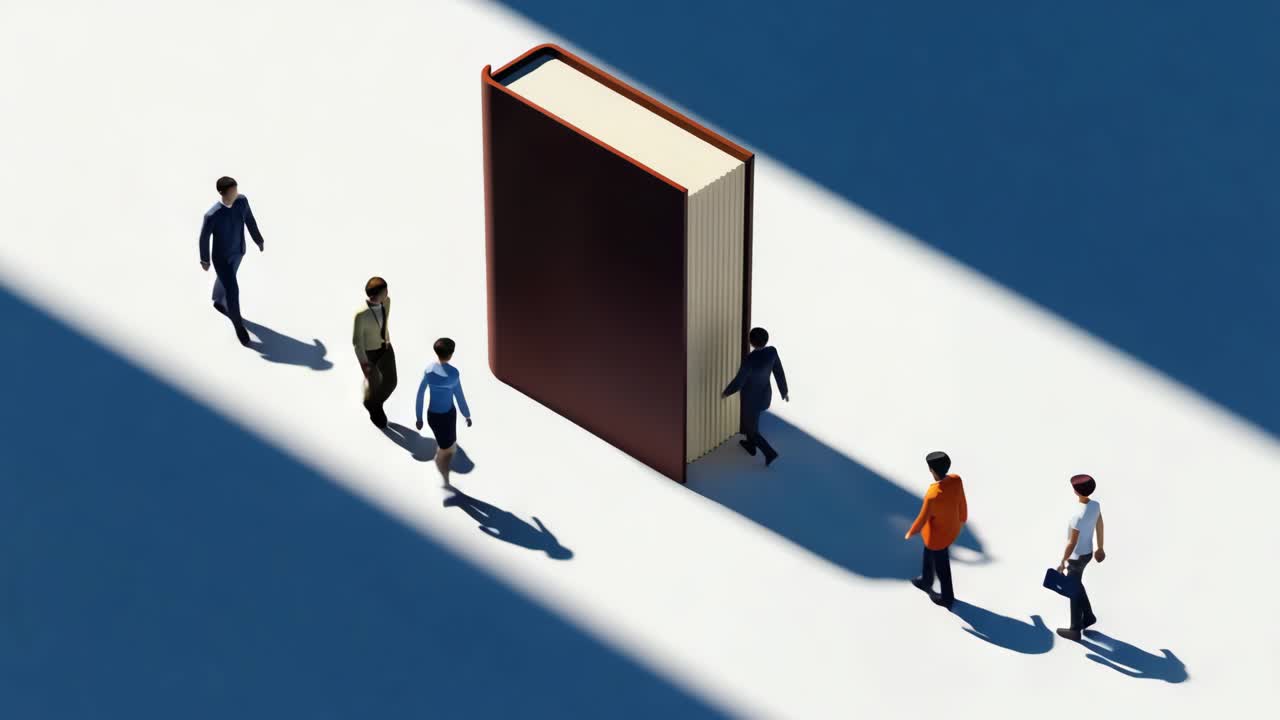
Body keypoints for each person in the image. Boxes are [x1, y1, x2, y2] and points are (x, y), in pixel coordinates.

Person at [198, 176, 264, 346]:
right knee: (233, 290)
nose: (236, 193)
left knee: (228, 279)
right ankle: (238, 326)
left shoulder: (242, 202)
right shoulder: (212, 215)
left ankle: (217, 300)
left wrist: (258, 239)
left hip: (238, 252)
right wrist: (205, 260)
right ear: (222, 193)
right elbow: (204, 238)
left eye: (236, 190)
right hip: (221, 258)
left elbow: (250, 220)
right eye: (232, 191)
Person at [905, 451, 968, 608]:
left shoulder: (932, 495)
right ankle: (926, 580)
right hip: (950, 529)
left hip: (936, 538)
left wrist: (911, 531)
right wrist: (963, 518)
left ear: (932, 470)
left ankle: (947, 598)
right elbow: (962, 501)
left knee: (942, 567)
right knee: (928, 555)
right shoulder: (956, 480)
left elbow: (922, 518)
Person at [721, 326, 789, 466]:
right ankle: (750, 446)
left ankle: (769, 453)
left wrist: (726, 392)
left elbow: (739, 382)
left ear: (751, 342)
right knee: (752, 422)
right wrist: (784, 391)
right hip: (765, 396)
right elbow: (779, 372)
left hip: (750, 401)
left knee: (751, 429)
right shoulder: (772, 352)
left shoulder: (750, 360)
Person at [1055, 474, 1105, 641]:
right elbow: (1100, 525)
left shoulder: (1078, 516)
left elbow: (1072, 543)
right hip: (1088, 553)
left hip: (1076, 557)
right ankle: (1088, 616)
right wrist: (1100, 547)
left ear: (1076, 491)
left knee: (1073, 590)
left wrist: (1062, 562)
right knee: (1077, 585)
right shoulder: (1095, 505)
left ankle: (1075, 630)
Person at [415, 337, 472, 485]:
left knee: (448, 442)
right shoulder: (453, 374)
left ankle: (445, 451)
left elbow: (420, 394)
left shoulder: (428, 370)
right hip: (448, 415)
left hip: (433, 416)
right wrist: (466, 414)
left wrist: (419, 418)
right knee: (446, 449)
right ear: (451, 354)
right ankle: (443, 474)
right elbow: (459, 396)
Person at [353, 277, 397, 428]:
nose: (388, 293)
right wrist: (364, 363)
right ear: (377, 294)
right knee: (375, 383)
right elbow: (357, 343)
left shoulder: (387, 302)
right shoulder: (361, 316)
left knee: (391, 382)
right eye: (386, 290)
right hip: (370, 352)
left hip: (386, 347)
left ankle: (374, 403)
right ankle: (374, 408)